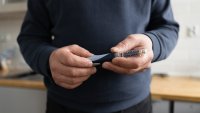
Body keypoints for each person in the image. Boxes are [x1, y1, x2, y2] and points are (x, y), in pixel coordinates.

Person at [17, 0, 179, 113]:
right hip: (63, 106)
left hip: (135, 106)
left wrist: (153, 44)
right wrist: (48, 59)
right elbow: (30, 38)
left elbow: (168, 28)